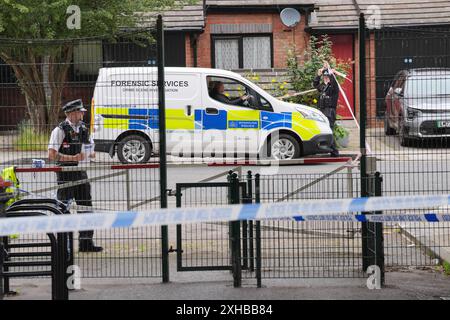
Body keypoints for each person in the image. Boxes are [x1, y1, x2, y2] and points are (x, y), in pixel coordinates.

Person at [48, 99, 103, 252]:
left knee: (85, 206)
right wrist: (72, 158)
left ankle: (86, 243)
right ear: (71, 113)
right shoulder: (60, 130)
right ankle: (63, 246)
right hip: (65, 173)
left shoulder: (84, 129)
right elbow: (51, 155)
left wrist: (91, 154)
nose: (83, 114)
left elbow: (91, 149)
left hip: (81, 173)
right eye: (80, 112)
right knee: (63, 208)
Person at [313, 62, 340, 157]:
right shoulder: (323, 87)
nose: (325, 78)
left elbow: (333, 82)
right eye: (324, 77)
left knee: (329, 130)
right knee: (324, 131)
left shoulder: (334, 87)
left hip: (330, 111)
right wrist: (318, 75)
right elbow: (315, 84)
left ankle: (334, 151)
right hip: (322, 111)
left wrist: (329, 70)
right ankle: (330, 150)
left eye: (327, 76)